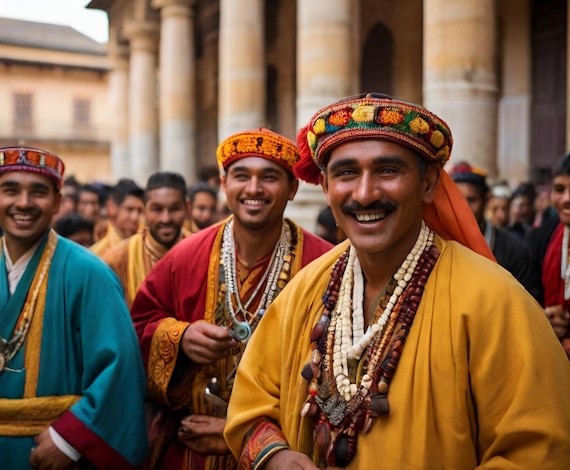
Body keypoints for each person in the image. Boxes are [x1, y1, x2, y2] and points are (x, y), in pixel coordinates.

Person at [224, 93, 570, 469]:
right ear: (325, 188)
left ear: (429, 183)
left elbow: (539, 451)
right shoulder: (304, 291)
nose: (365, 193)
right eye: (346, 173)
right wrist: (274, 456)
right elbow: (251, 403)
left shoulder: (494, 300)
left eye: (388, 171)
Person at [131, 128, 334, 469]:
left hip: (283, 450)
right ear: (224, 185)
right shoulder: (185, 256)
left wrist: (237, 431)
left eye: (269, 177)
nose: (253, 189)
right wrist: (178, 339)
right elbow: (138, 326)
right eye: (241, 176)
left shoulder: (322, 263)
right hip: (191, 449)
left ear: (293, 188)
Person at [0, 147, 148, 469]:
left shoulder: (90, 274)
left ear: (56, 201)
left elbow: (120, 370)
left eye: (38, 192)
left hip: (54, 450)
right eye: (10, 190)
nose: (23, 203)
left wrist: (70, 439)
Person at [450, 162, 542, 302]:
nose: (463, 207)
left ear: (487, 199)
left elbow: (528, 306)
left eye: (471, 200)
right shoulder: (440, 246)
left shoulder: (515, 251)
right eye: (456, 200)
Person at [103, 171, 192, 309]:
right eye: (157, 209)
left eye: (174, 209)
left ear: (187, 208)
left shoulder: (203, 253)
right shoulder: (117, 260)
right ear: (144, 210)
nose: (166, 218)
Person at [527, 152, 570, 358]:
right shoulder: (540, 237)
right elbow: (527, 292)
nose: (566, 199)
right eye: (559, 190)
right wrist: (543, 317)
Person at [90, 178, 144, 257]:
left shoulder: (147, 244)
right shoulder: (99, 253)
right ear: (112, 207)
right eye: (129, 209)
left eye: (139, 211)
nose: (135, 217)